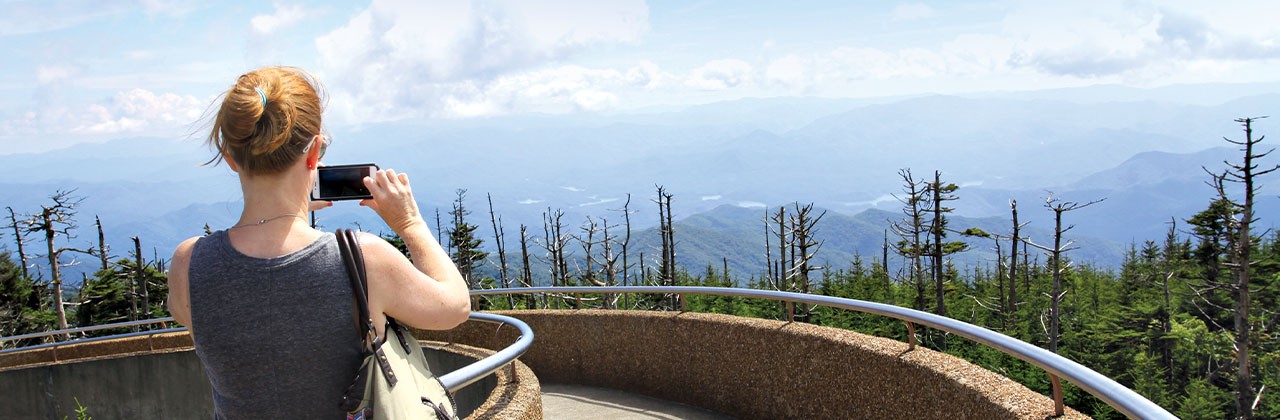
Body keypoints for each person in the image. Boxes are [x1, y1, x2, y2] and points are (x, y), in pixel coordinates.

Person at [166, 66, 470, 419]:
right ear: (314, 153)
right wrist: (409, 222)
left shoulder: (189, 263)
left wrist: (287, 215)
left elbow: (243, 324)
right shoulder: (360, 259)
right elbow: (454, 307)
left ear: (231, 157)